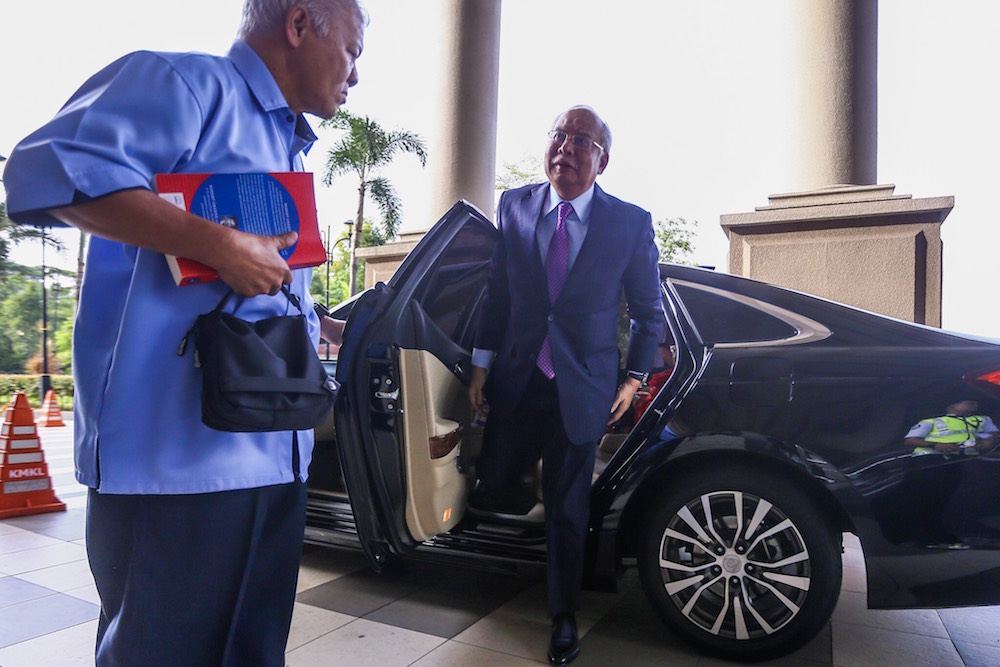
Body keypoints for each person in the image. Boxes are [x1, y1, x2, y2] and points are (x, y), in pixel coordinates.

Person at [2, 2, 365, 665]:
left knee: (253, 652)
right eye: (353, 51)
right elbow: (43, 169)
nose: (355, 74)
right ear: (299, 24)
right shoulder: (187, 85)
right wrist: (218, 244)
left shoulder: (285, 142)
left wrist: (317, 319)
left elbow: (249, 285)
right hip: (173, 470)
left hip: (273, 456)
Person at [468, 106, 664, 665]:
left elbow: (648, 314)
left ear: (602, 160)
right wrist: (480, 365)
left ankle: (563, 616)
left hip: (584, 387)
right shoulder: (515, 205)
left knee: (566, 503)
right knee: (495, 475)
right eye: (559, 135)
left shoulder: (629, 223)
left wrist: (633, 378)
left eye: (582, 140)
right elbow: (496, 293)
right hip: (517, 377)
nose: (566, 147)